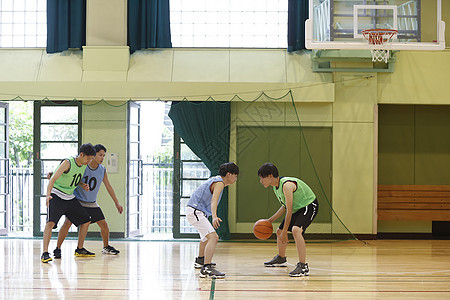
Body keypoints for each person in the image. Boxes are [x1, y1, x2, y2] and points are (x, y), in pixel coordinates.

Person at [52, 144, 124, 259]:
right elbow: (68, 173)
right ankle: (58, 248)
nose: (102, 158)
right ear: (93, 155)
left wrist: (116, 203)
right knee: (67, 223)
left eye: (104, 156)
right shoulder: (84, 166)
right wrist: (52, 173)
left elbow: (108, 186)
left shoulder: (102, 170)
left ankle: (105, 247)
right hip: (78, 201)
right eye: (100, 155)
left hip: (91, 202)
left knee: (104, 225)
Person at [258, 163, 319, 277]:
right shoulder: (275, 187)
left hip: (309, 205)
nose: (261, 181)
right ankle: (281, 258)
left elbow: (289, 210)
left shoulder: (287, 185)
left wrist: (286, 231)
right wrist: (270, 220)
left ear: (270, 176)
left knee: (296, 230)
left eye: (262, 177)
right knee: (279, 232)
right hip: (297, 208)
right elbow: (284, 206)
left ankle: (303, 266)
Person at [41, 143, 96, 263]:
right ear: (81, 154)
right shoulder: (68, 162)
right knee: (50, 223)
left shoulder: (83, 165)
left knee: (86, 220)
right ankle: (45, 253)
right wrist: (48, 195)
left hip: (69, 197)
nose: (89, 161)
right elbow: (53, 179)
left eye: (91, 158)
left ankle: (78, 249)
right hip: (56, 194)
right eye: (88, 158)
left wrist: (82, 185)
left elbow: (74, 179)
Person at [186, 162, 239, 279]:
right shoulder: (219, 183)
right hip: (196, 211)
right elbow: (214, 200)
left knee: (205, 237)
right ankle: (206, 268)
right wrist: (214, 216)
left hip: (195, 211)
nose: (236, 178)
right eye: (235, 175)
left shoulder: (217, 180)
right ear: (229, 174)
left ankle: (200, 260)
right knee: (213, 237)